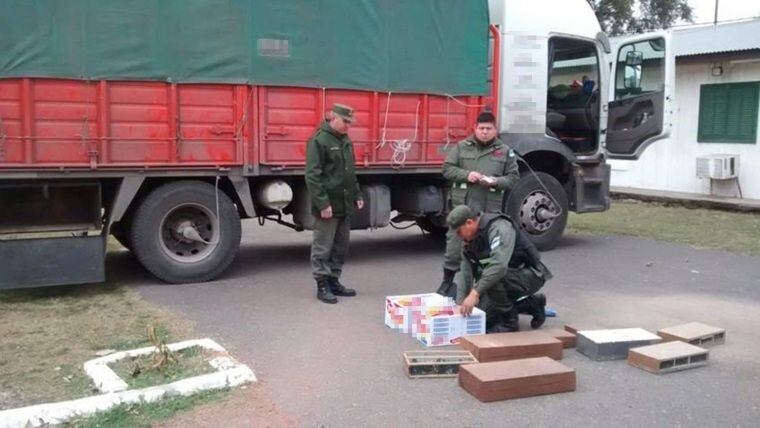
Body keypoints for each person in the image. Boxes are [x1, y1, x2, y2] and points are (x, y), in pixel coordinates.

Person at [436, 111, 520, 297]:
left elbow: (513, 178)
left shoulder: (505, 152)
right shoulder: (461, 147)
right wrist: (467, 175)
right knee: (454, 246)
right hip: (463, 208)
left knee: (487, 252)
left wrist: (495, 182)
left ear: (495, 130)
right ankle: (447, 282)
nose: (484, 132)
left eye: (488, 129)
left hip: (488, 211)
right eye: (481, 128)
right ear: (475, 128)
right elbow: (447, 169)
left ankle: (484, 290)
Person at [447, 205, 551, 332]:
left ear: (469, 223)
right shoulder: (469, 241)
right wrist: (460, 304)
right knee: (482, 320)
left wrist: (475, 293)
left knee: (493, 277)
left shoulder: (499, 227)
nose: (458, 236)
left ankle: (510, 322)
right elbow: (465, 274)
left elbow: (499, 266)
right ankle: (532, 304)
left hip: (530, 274)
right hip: (503, 280)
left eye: (459, 231)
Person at [305, 104, 365, 304]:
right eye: (346, 121)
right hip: (328, 204)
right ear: (334, 118)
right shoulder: (318, 140)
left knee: (341, 246)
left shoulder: (345, 140)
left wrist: (357, 194)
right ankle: (322, 285)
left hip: (344, 203)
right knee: (323, 246)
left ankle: (334, 280)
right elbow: (313, 176)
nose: (349, 126)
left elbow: (350, 172)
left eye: (350, 122)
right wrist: (323, 204)